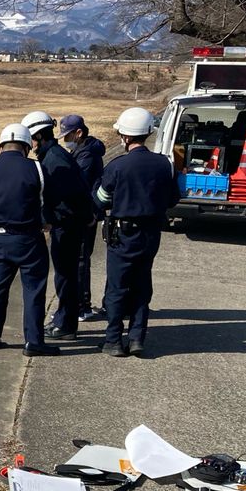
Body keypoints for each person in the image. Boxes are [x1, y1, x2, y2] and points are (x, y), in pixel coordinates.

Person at [93, 107, 180, 358]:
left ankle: (112, 341)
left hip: (123, 235)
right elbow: (174, 198)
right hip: (151, 233)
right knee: (142, 286)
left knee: (117, 287)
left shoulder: (117, 166)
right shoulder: (166, 164)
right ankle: (136, 338)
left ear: (126, 137)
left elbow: (101, 199)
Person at [0, 123, 59, 357]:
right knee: (33, 289)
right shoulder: (37, 169)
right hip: (29, 239)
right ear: (27, 146)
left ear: (0, 145)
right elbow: (44, 202)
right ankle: (33, 342)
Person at [22, 111, 94, 340]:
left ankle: (66, 325)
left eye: (31, 139)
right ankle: (65, 320)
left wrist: (52, 218)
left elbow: (71, 195)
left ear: (40, 137)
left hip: (67, 225)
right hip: (67, 223)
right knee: (65, 274)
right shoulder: (52, 155)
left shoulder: (54, 159)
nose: (30, 144)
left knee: (66, 275)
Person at [58, 113, 108, 323]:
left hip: (86, 214)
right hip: (85, 213)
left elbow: (79, 184)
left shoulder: (86, 154)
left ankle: (82, 306)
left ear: (78, 133)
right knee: (80, 258)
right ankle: (80, 304)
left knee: (80, 259)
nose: (66, 140)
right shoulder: (84, 150)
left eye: (67, 136)